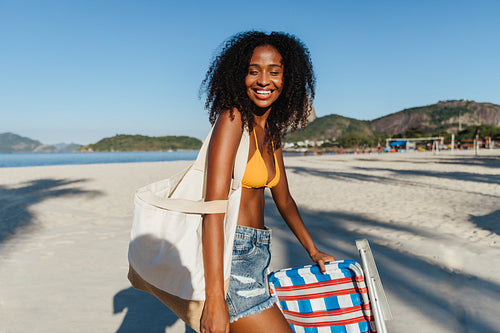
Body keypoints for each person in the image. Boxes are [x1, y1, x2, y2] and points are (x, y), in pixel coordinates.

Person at [199, 31, 335, 333]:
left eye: (274, 72)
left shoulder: (270, 131)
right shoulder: (233, 119)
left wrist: (312, 250)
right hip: (232, 258)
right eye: (253, 71)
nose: (264, 81)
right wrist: (214, 299)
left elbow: (284, 200)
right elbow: (213, 210)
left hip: (258, 255)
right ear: (238, 75)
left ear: (289, 79)